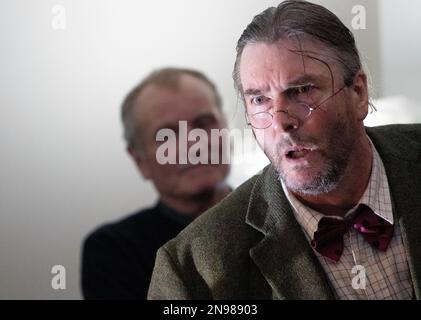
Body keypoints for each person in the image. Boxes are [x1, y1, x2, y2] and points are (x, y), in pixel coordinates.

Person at [148, 1, 421, 300]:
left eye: (302, 90)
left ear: (358, 93)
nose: (280, 122)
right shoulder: (195, 272)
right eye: (259, 100)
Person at [81, 67, 231, 299]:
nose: (195, 144)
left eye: (204, 123)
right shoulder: (114, 251)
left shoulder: (282, 213)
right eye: (167, 135)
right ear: (140, 160)